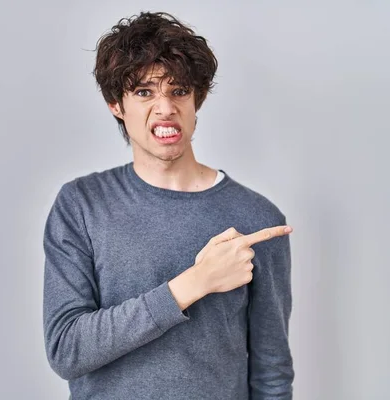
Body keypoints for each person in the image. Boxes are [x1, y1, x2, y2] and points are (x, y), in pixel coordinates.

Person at [43, 11, 294, 399]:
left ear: (197, 100)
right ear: (116, 104)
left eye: (178, 91)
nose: (165, 108)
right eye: (144, 92)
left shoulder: (256, 218)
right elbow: (67, 349)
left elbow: (271, 371)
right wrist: (193, 284)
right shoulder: (81, 206)